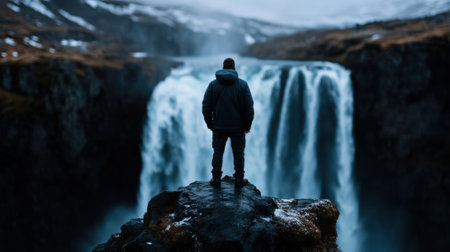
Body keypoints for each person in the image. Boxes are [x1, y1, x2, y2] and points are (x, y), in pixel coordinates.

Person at [202, 58, 254, 189]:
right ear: (235, 69)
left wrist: (210, 124)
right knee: (238, 153)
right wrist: (247, 126)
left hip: (219, 126)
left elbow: (206, 106)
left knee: (218, 153)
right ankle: (239, 180)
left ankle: (216, 179)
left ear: (223, 68)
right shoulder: (243, 85)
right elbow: (249, 108)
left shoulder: (213, 85)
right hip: (238, 127)